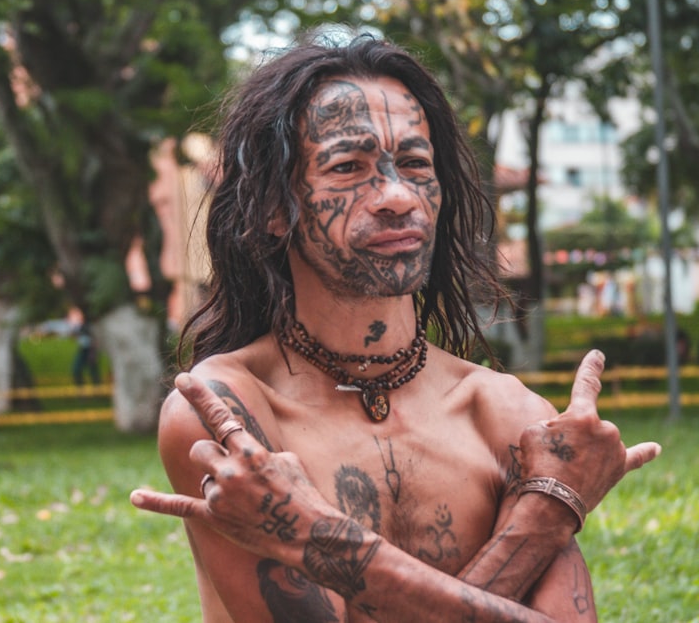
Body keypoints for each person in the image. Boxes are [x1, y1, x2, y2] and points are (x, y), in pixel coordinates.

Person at [130, 32, 661, 622]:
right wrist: (542, 518)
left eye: (414, 163)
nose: (396, 195)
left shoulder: (504, 412)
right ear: (275, 209)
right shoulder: (231, 414)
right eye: (348, 167)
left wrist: (318, 540)